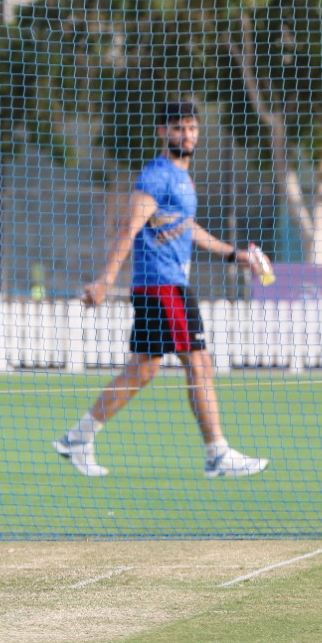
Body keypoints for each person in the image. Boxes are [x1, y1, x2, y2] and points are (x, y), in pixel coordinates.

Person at [54, 100, 269, 479]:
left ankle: (77, 438)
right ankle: (217, 454)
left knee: (142, 371)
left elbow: (189, 227)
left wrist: (235, 254)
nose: (185, 134)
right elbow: (128, 227)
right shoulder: (157, 176)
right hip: (163, 286)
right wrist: (106, 280)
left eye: (190, 128)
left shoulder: (183, 179)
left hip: (166, 286)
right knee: (200, 364)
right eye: (176, 128)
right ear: (162, 132)